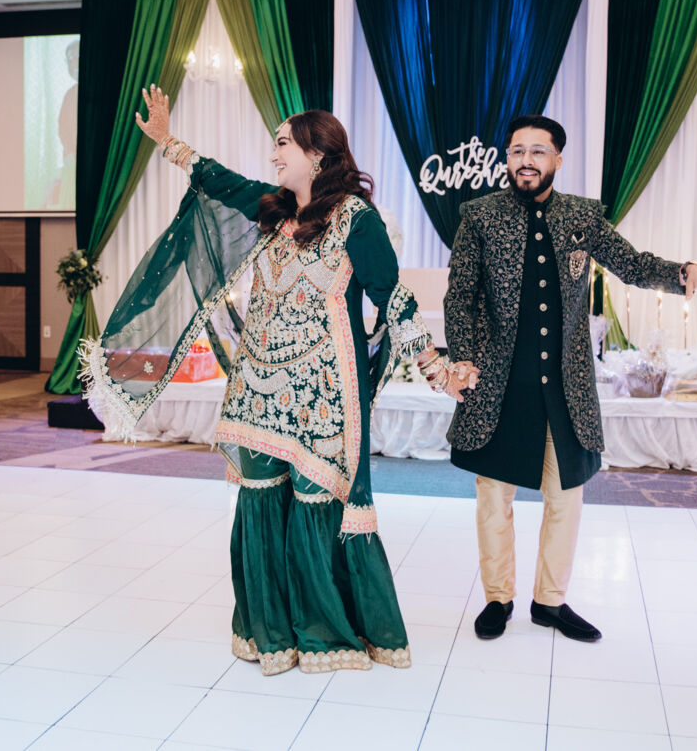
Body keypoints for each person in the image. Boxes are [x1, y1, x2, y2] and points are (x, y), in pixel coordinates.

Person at [103, 85, 476, 675]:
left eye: (283, 143)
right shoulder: (273, 209)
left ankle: (325, 632)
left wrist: (439, 371)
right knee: (258, 498)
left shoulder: (356, 219)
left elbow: (393, 298)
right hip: (257, 388)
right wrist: (167, 140)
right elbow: (216, 178)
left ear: (317, 154)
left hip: (322, 393)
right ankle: (269, 631)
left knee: (314, 503)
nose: (274, 152)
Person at [444, 114, 697, 643]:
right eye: (517, 150)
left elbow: (632, 265)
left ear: (557, 159)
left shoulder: (581, 216)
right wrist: (464, 359)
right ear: (507, 158)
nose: (526, 160)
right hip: (499, 383)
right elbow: (460, 297)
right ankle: (498, 598)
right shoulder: (479, 216)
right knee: (493, 496)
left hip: (564, 384)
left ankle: (550, 602)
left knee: (566, 494)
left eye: (538, 151)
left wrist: (685, 271)